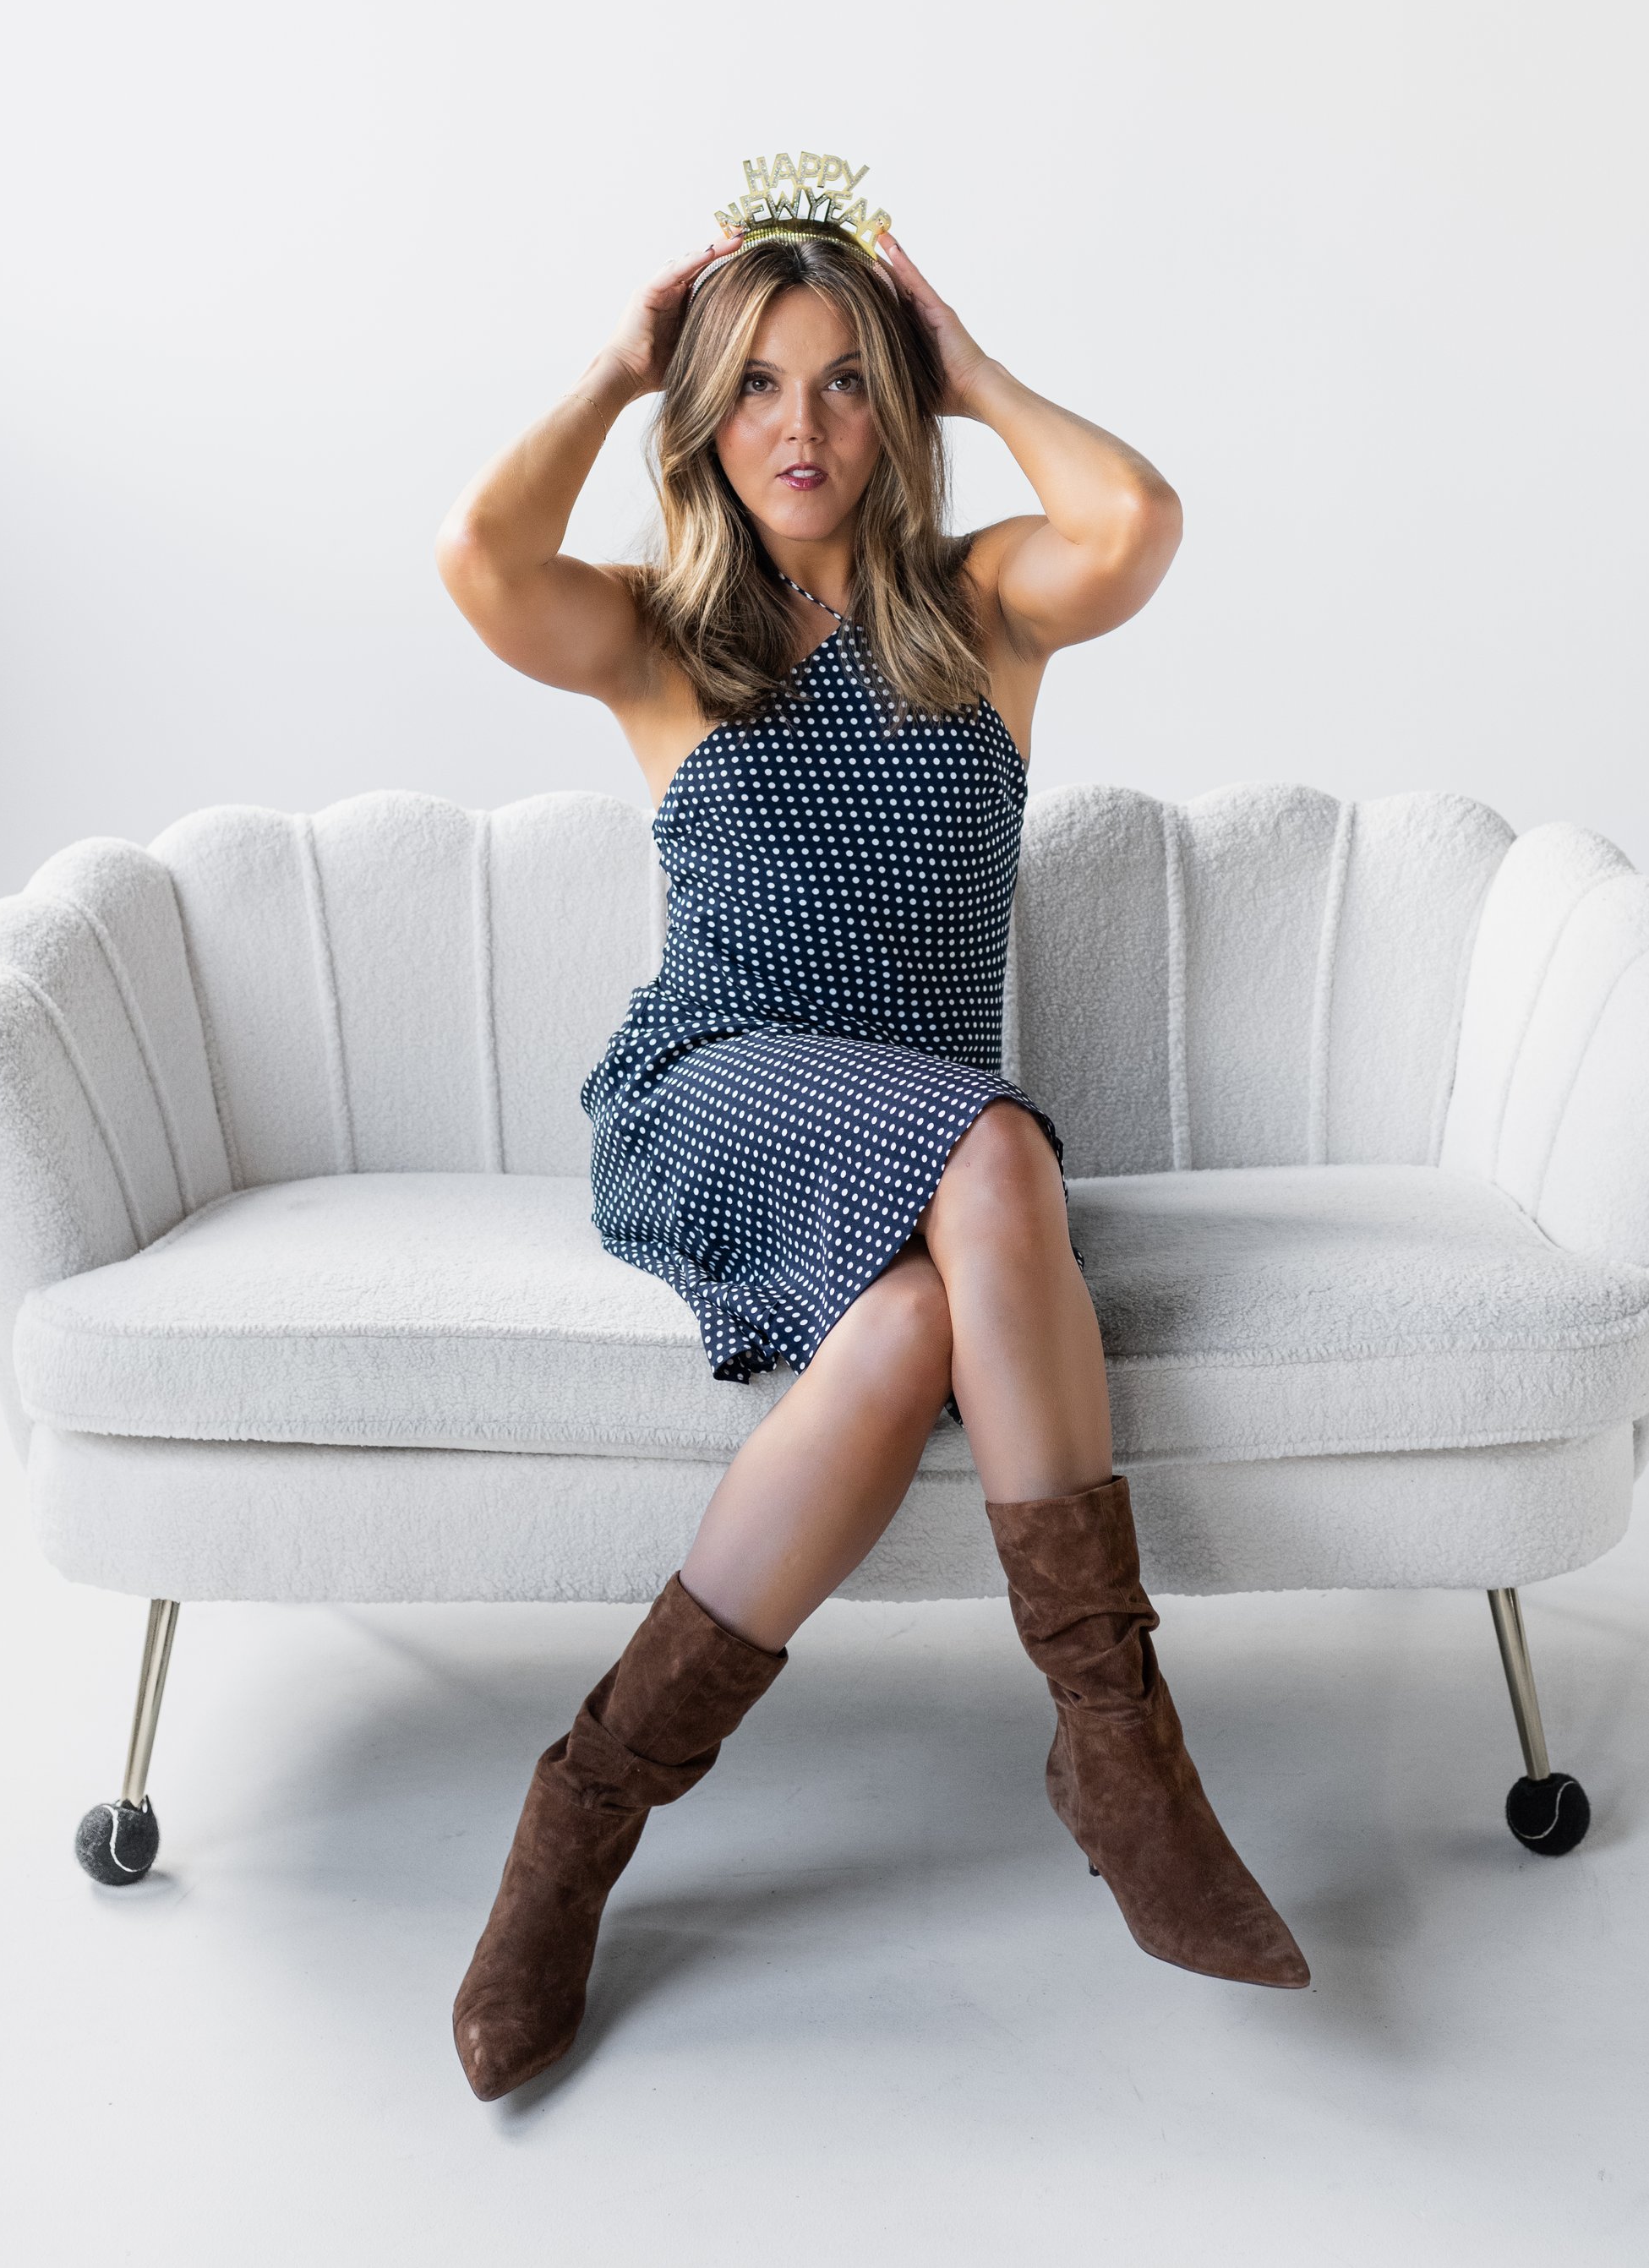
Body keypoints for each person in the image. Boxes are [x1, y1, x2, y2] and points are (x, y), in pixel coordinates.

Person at [434, 179, 1308, 2100]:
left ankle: (577, 1818)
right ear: (704, 415)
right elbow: (479, 559)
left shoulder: (980, 614)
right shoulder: (662, 640)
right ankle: (1118, 1751)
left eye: (842, 384)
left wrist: (973, 363)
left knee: (919, 1319)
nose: (803, 426)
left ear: (890, 408)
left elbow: (1135, 523)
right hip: (713, 1094)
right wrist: (607, 364)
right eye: (752, 386)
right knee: (1001, 1161)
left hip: (905, 1150)